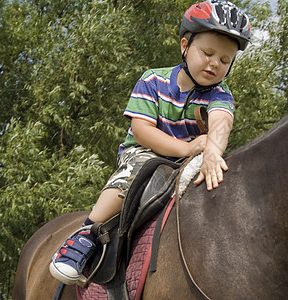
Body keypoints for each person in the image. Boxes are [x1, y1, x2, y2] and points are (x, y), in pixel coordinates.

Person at [49, 0, 251, 285]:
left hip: (187, 161)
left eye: (225, 60)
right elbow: (142, 130)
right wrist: (187, 148)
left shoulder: (220, 94)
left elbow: (221, 123)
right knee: (138, 173)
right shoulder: (153, 79)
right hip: (144, 153)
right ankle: (86, 234)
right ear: (185, 45)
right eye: (208, 53)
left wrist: (213, 153)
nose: (215, 63)